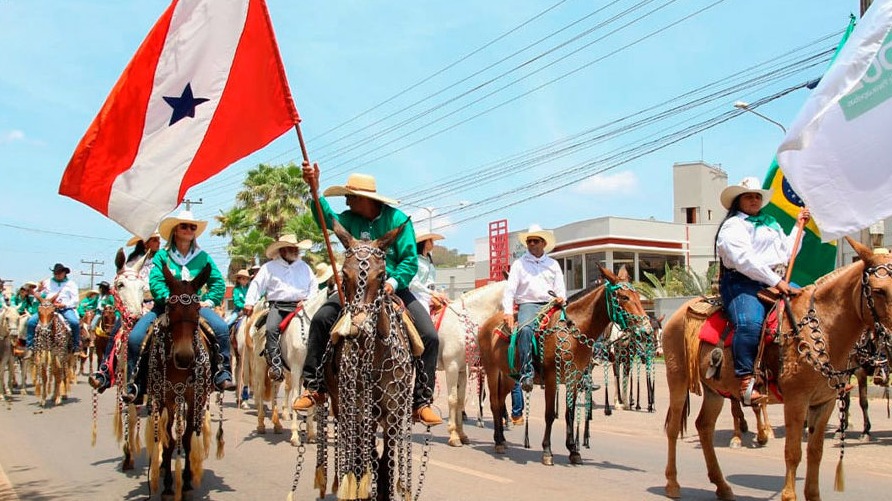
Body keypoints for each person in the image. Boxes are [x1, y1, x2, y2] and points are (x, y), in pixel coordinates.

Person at [293, 164, 443, 426]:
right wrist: (313, 188)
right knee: (320, 320)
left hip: (390, 286)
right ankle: (315, 387)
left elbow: (408, 261)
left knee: (429, 336)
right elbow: (325, 217)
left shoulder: (398, 221)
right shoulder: (350, 220)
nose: (346, 201)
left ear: (365, 199)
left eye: (349, 197)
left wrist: (392, 284)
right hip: (353, 289)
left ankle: (421, 402)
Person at [114, 210, 235, 399]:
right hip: (165, 307)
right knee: (136, 338)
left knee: (221, 328)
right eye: (184, 226)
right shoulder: (163, 256)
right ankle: (134, 383)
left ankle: (223, 372)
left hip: (195, 308)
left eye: (192, 227)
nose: (188, 229)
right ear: (175, 231)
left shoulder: (203, 257)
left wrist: (209, 300)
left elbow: (218, 282)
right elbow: (155, 281)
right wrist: (168, 298)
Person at [715, 176, 809, 405]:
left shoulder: (771, 223)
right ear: (738, 201)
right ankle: (746, 380)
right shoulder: (732, 226)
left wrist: (799, 225)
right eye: (749, 196)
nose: (754, 200)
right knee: (750, 323)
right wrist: (776, 281)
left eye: (757, 196)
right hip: (742, 282)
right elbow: (745, 261)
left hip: (775, 279)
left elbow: (787, 252)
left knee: (811, 309)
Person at [502, 224, 566, 423]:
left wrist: (561, 298)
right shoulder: (519, 264)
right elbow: (510, 290)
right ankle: (527, 372)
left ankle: (583, 373)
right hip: (528, 304)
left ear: (544, 244)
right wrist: (507, 311)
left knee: (573, 328)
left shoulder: (553, 264)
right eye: (529, 241)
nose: (531, 244)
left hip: (550, 304)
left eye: (535, 241)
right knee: (525, 329)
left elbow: (561, 288)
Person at [243, 235, 316, 381]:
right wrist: (249, 302)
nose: (295, 250)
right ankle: (276, 364)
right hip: (278, 306)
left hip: (301, 306)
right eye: (291, 248)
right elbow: (257, 285)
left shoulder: (304, 267)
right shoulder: (269, 268)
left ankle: (316, 364)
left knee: (317, 327)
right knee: (271, 329)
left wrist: (309, 300)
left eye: (296, 248)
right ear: (282, 250)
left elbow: (313, 286)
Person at [25, 263, 81, 358]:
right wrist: (39, 289)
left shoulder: (71, 284)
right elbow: (37, 296)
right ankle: (30, 347)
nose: (57, 275)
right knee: (31, 322)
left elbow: (75, 300)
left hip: (64, 309)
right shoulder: (46, 282)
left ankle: (76, 346)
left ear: (64, 273)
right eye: (55, 273)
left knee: (74, 322)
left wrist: (65, 304)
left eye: (59, 273)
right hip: (47, 308)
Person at [408, 233, 449, 313]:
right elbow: (413, 284)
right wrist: (432, 293)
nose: (433, 243)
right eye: (430, 240)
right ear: (423, 242)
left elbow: (430, 281)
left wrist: (437, 293)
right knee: (425, 310)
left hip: (430, 293)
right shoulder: (414, 260)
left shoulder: (428, 259)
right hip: (417, 294)